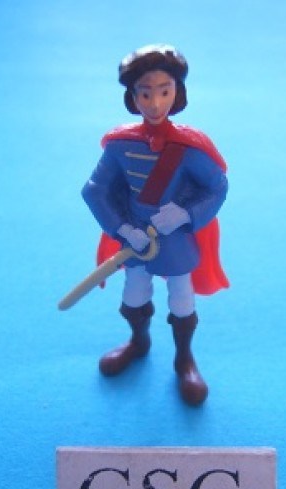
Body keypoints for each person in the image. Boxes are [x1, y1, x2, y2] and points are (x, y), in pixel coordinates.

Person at [81, 44, 229, 405]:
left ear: (177, 92)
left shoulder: (190, 147)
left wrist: (185, 214)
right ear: (133, 97)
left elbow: (217, 186)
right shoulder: (120, 145)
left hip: (173, 240)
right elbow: (95, 190)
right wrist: (122, 229)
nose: (155, 103)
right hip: (134, 237)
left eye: (164, 91)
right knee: (133, 295)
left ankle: (184, 359)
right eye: (145, 93)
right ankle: (138, 341)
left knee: (182, 300)